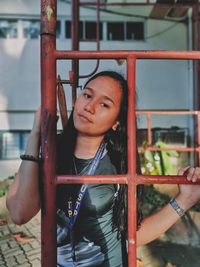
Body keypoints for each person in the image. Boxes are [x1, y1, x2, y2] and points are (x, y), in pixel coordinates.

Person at [6, 71, 200, 267]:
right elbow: (20, 214)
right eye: (87, 95)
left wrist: (185, 199)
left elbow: (131, 235)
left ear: (117, 122)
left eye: (104, 104)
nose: (89, 107)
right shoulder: (52, 152)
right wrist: (36, 134)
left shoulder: (119, 162)